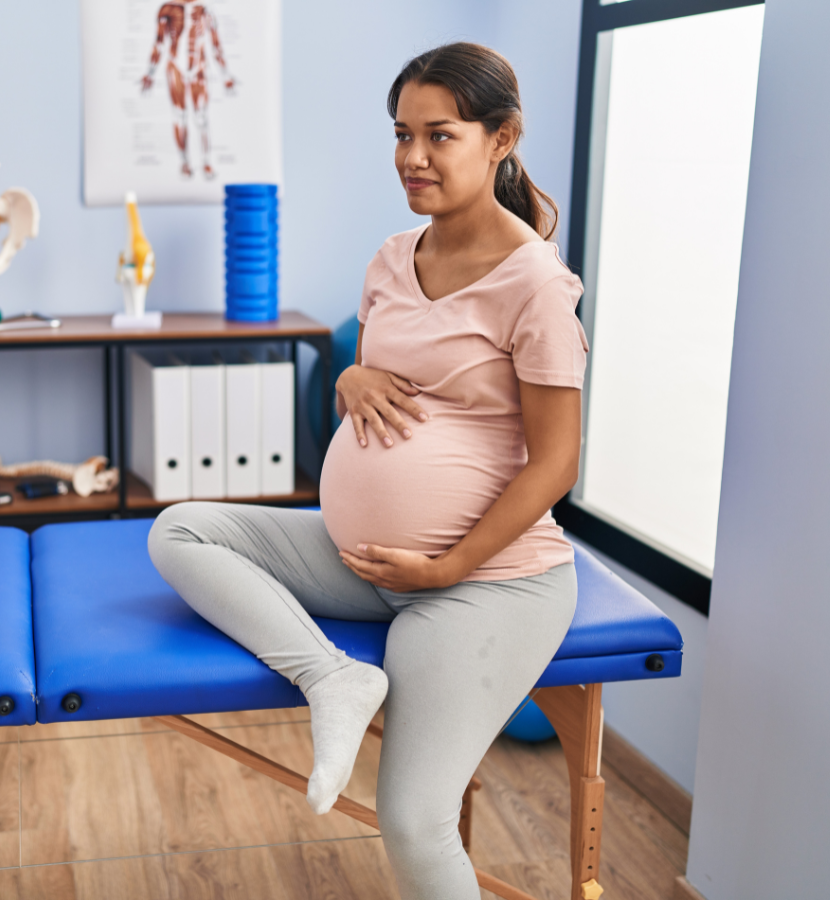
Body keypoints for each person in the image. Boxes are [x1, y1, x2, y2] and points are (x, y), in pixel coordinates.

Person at [149, 42, 588, 900]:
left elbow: (558, 460)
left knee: (414, 822)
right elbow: (381, 377)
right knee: (183, 530)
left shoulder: (537, 285)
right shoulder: (391, 258)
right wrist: (349, 375)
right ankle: (333, 678)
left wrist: (450, 565)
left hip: (483, 582)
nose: (411, 159)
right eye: (400, 135)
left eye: (440, 136)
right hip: (366, 567)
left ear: (501, 139)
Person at [141, 1, 236, 180]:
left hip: (197, 67)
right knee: (179, 116)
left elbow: (215, 42)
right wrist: (150, 73)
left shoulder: (205, 9)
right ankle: (185, 162)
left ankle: (206, 162)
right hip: (176, 66)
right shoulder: (167, 9)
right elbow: (159, 43)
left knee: (201, 117)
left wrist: (225, 75)